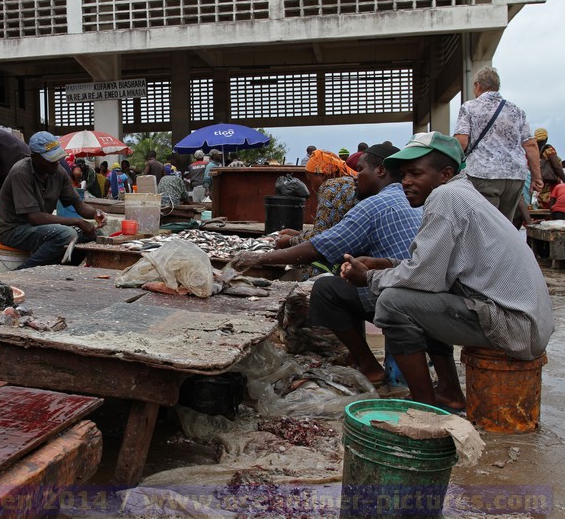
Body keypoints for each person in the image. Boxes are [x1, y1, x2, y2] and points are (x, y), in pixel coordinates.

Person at [340, 131, 553, 410]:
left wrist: (368, 277)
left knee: (392, 302)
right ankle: (449, 392)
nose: (406, 182)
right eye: (403, 174)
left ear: (445, 174)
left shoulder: (445, 197)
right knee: (419, 297)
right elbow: (435, 269)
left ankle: (424, 406)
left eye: (415, 173)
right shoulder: (461, 193)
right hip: (527, 324)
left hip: (514, 327)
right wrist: (386, 264)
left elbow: (424, 279)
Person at [230, 143, 422, 387]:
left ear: (381, 171)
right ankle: (358, 357)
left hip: (397, 296)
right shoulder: (412, 198)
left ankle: (368, 366)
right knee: (346, 280)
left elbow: (318, 248)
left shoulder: (373, 204)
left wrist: (258, 258)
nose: (355, 177)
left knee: (326, 291)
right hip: (418, 291)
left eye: (361, 170)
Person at [0, 131, 106, 269]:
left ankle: (61, 269)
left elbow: (78, 205)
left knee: (94, 234)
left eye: (58, 158)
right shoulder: (21, 172)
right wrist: (77, 221)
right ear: (34, 157)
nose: (56, 162)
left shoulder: (58, 172)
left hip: (38, 228)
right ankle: (22, 272)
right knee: (66, 234)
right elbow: (34, 217)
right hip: (14, 231)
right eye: (51, 159)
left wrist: (95, 213)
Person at [454, 66, 542, 221]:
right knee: (504, 226)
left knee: (486, 226)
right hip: (515, 177)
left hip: (483, 175)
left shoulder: (469, 107)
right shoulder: (516, 111)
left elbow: (461, 142)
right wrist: (536, 178)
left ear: (478, 86)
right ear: (497, 87)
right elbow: (531, 145)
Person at [275, 148, 358, 252]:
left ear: (322, 175)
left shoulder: (331, 188)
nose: (312, 187)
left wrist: (290, 240)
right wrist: (299, 234)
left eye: (311, 181)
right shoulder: (348, 182)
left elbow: (320, 238)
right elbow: (328, 231)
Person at [533, 127, 565, 208]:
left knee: (542, 204)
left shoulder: (534, 151)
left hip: (540, 183)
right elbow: (557, 166)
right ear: (546, 138)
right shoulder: (548, 150)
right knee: (552, 204)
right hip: (551, 184)